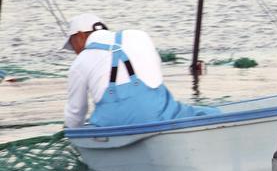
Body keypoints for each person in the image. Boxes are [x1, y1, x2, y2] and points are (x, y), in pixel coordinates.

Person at [63, 14, 219, 129]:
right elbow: (156, 73)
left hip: (112, 125)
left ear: (80, 36)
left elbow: (75, 113)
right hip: (158, 115)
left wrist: (72, 133)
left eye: (72, 44)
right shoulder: (139, 35)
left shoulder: (79, 63)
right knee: (211, 113)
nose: (75, 51)